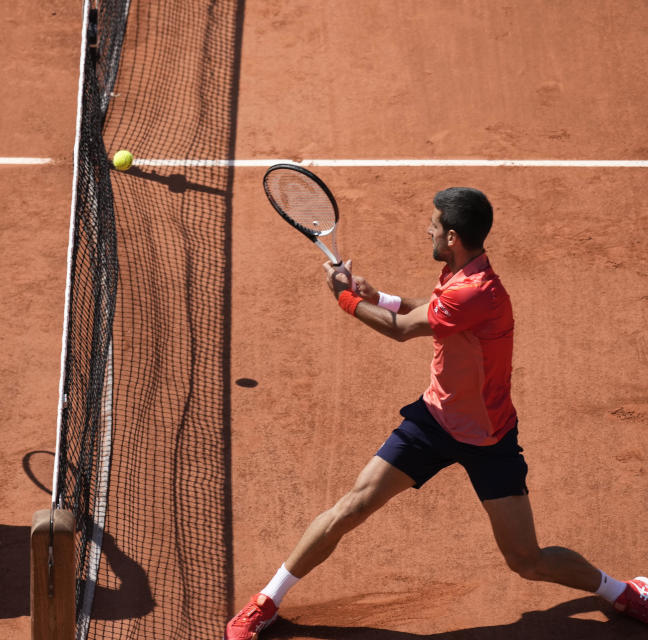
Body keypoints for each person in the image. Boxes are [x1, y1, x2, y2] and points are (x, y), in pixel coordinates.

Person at [226, 187, 647, 639]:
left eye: (432, 224)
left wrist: (344, 299)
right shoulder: (462, 273)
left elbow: (405, 330)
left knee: (527, 560)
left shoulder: (476, 291)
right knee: (352, 507)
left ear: (451, 236)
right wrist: (377, 295)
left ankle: (622, 593)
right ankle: (267, 600)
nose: (425, 229)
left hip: (489, 439)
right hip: (435, 421)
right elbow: (424, 313)